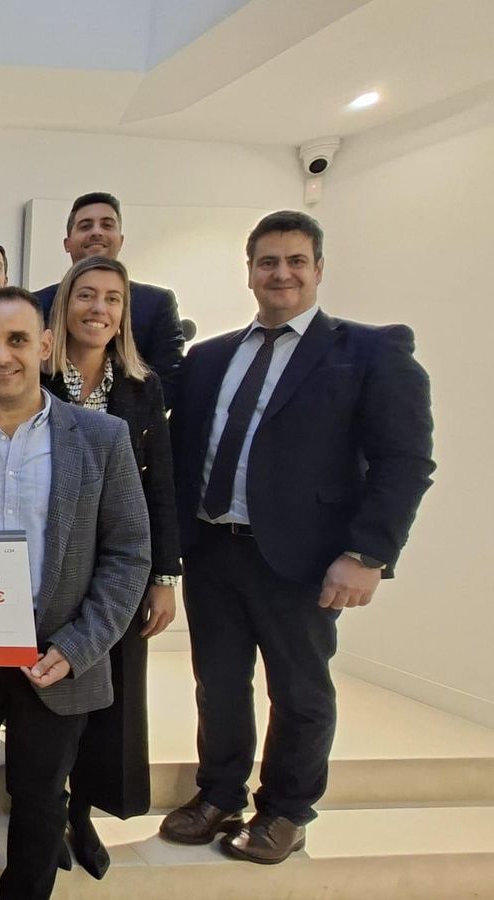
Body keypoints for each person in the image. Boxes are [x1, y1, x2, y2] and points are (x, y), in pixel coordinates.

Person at [161, 211, 435, 863]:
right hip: (213, 547)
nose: (280, 273)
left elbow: (405, 462)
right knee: (217, 683)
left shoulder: (369, 354)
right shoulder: (210, 358)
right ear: (249, 270)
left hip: (302, 558)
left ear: (318, 269)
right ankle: (220, 793)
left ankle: (286, 809)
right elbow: (182, 451)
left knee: (300, 690)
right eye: (267, 261)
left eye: (295, 261)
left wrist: (367, 553)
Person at [0, 287, 150, 900]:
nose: (2, 356)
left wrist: (79, 646)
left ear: (45, 345)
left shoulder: (103, 438)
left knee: (42, 792)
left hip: (58, 652)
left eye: (17, 340)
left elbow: (128, 555)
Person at [41, 256, 182, 878]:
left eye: (113, 300)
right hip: (50, 560)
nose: (99, 309)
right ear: (66, 303)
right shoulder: (36, 376)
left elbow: (161, 486)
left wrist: (164, 575)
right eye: (87, 296)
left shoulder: (141, 384)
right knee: (50, 693)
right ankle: (48, 807)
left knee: (113, 694)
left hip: (120, 566)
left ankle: (84, 812)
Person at [31, 192, 185, 406]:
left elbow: (168, 383)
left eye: (106, 225)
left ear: (121, 240)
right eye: (85, 226)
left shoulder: (157, 304)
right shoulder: (36, 305)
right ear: (67, 243)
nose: (96, 232)